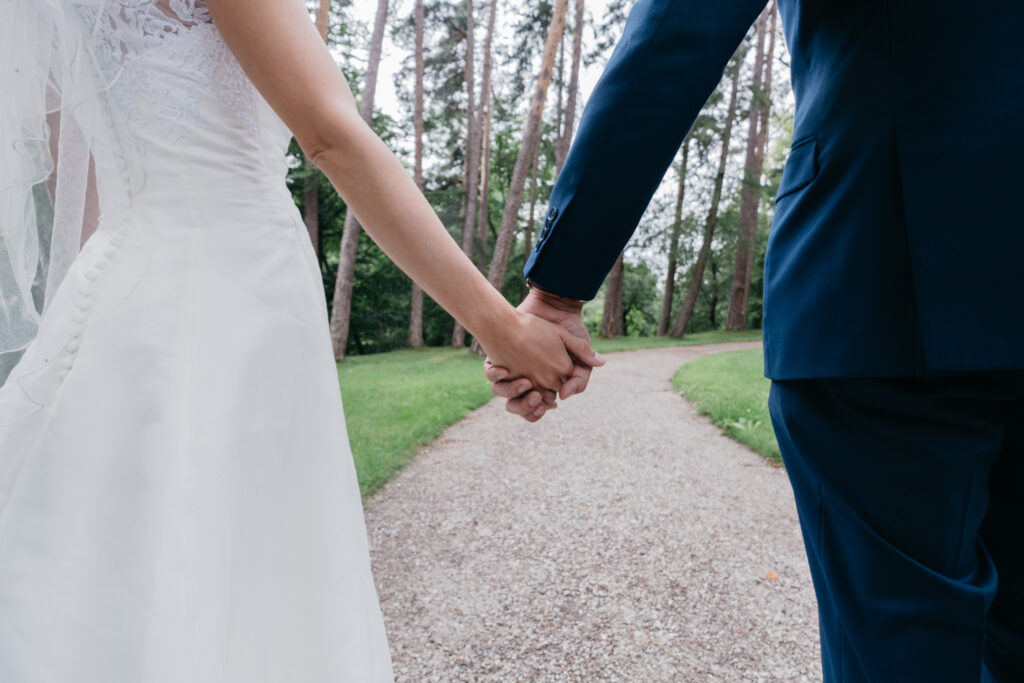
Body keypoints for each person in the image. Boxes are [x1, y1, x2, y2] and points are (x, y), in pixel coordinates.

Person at [0, 1, 602, 680]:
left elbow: (85, 197)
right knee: (256, 582)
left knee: (115, 570)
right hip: (238, 295)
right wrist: (502, 328)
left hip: (116, 303)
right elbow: (328, 135)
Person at [487, 0, 1024, 680]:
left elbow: (678, 29)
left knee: (904, 647)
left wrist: (558, 289)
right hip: (908, 281)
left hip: (884, 278)